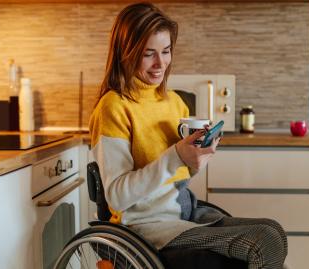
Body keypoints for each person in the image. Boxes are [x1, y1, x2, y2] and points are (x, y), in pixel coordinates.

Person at [89, 2, 288, 268]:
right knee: (265, 242)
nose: (161, 63)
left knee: (274, 232)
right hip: (147, 227)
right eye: (149, 54)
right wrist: (177, 156)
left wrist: (194, 162)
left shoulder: (174, 103)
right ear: (126, 53)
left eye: (166, 51)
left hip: (184, 214)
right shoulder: (114, 107)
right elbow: (116, 196)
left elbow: (175, 173)